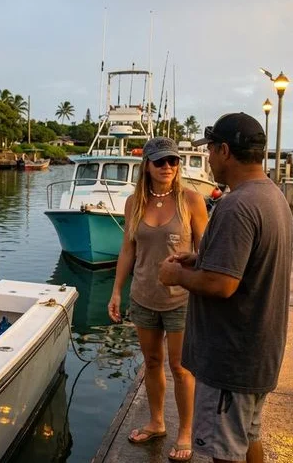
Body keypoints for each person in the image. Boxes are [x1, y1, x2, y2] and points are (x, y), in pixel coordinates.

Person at [158, 113, 293, 463]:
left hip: (230, 360)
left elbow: (222, 284)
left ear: (225, 150)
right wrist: (200, 258)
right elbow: (243, 266)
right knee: (249, 438)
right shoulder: (272, 197)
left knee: (223, 452)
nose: (208, 158)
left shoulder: (236, 205)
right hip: (258, 352)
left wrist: (177, 277)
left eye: (211, 150)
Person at [108, 137, 209, 462]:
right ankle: (156, 422)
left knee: (180, 368)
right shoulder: (133, 203)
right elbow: (128, 249)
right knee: (151, 362)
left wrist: (192, 264)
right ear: (147, 166)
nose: (167, 167)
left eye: (173, 161)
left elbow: (206, 250)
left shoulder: (191, 200)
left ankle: (184, 432)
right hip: (143, 297)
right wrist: (116, 291)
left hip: (180, 299)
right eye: (160, 161)